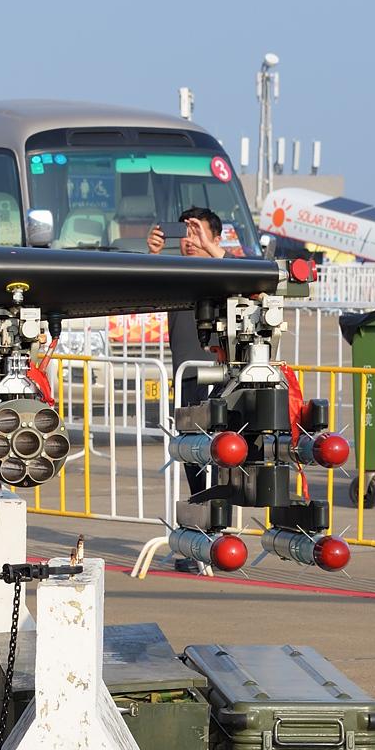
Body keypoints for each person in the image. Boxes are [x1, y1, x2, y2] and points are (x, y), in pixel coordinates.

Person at [149, 207, 226, 571]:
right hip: (186, 380)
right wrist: (153, 256)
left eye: (197, 233)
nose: (189, 241)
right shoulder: (174, 272)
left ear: (215, 239)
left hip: (219, 379)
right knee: (193, 459)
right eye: (185, 234)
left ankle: (215, 538)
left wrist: (210, 249)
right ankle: (202, 541)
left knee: (219, 461)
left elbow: (251, 284)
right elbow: (144, 289)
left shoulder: (224, 274)